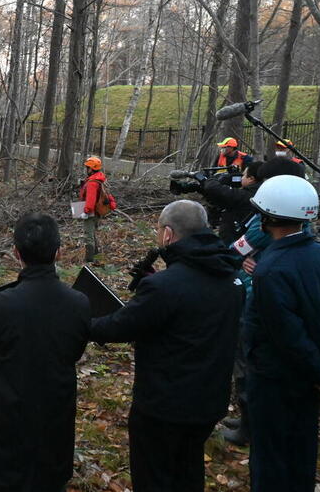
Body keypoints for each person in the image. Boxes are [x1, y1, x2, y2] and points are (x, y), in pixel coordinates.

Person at [90, 200, 240, 492]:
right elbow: (192, 306)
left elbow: (120, 326)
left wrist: (81, 321)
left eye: (159, 229)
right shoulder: (229, 277)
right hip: (209, 401)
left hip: (164, 405)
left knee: (154, 476)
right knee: (188, 469)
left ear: (168, 234)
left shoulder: (165, 288)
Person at [0, 213, 90, 492]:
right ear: (59, 252)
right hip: (54, 416)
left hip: (6, 419)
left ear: (16, 253)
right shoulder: (79, 303)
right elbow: (75, 350)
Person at [244, 175, 320, 492]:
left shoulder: (271, 271)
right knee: (301, 453)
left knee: (270, 461)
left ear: (268, 217)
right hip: (310, 380)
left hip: (275, 381)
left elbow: (287, 335)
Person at [221, 157, 306, 447]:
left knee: (247, 358)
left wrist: (237, 256)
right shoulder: (298, 217)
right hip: (263, 289)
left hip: (255, 295)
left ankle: (250, 425)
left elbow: (238, 248)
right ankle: (249, 416)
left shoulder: (267, 219)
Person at [200, 159, 262, 245]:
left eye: (243, 175)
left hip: (234, 242)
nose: (241, 177)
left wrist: (212, 179)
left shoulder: (246, 195)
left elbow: (214, 188)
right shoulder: (261, 192)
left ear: (251, 179)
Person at [78, 156, 117, 264]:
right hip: (97, 212)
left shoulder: (92, 183)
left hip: (91, 212)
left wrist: (86, 212)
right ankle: (96, 257)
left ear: (91, 169)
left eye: (88, 168)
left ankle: (89, 260)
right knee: (92, 234)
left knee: (88, 236)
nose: (86, 170)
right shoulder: (100, 178)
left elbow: (90, 200)